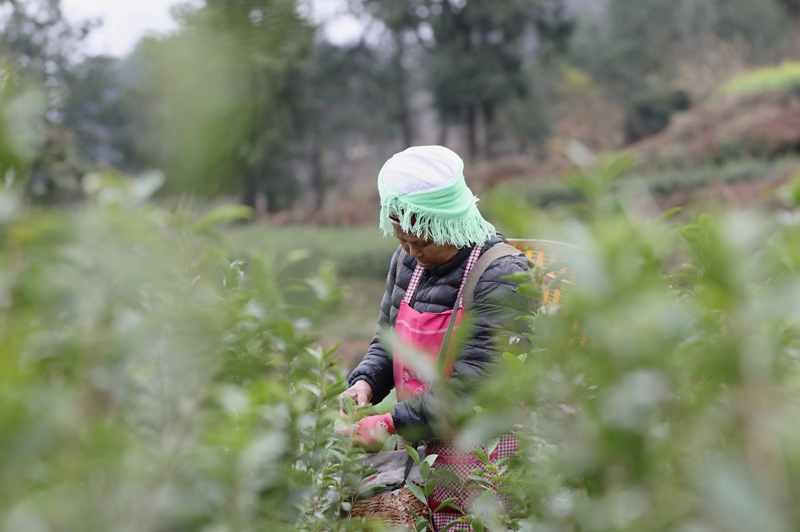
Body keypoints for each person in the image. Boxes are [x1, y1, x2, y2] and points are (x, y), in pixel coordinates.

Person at [340, 145, 534, 528]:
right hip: (422, 444)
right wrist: (364, 382)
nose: (413, 252)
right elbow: (388, 339)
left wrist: (390, 422)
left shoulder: (501, 273)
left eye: (422, 242)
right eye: (403, 241)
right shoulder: (407, 262)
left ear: (450, 219)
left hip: (484, 453)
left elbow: (476, 384)